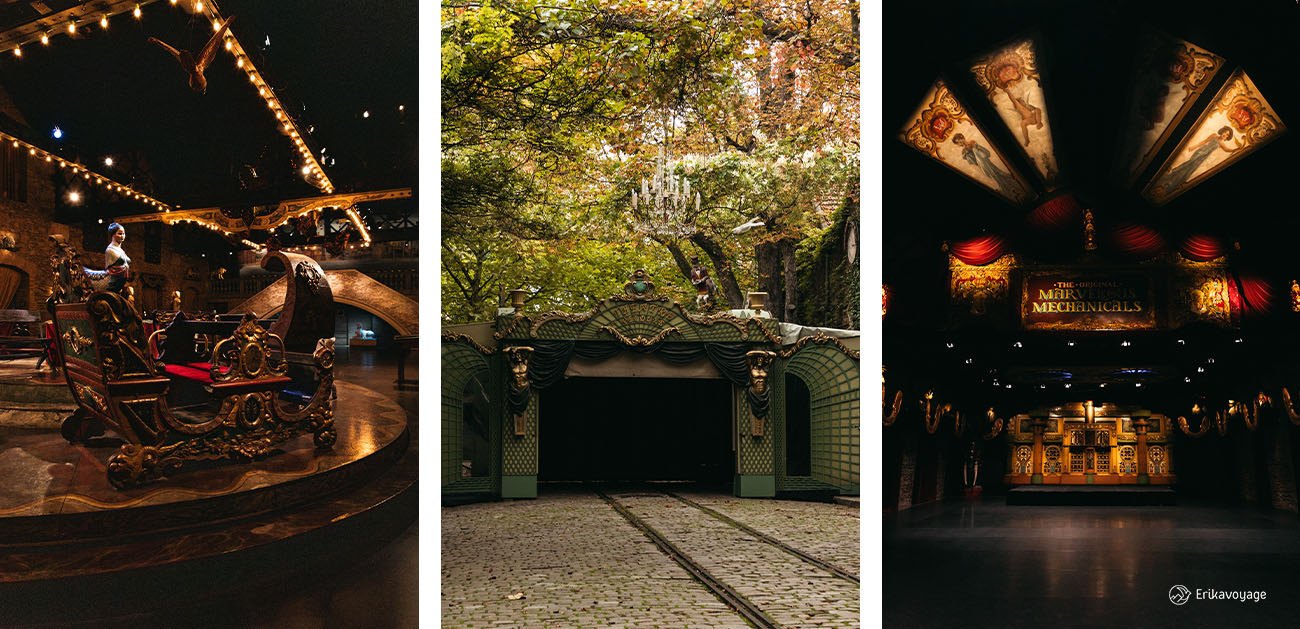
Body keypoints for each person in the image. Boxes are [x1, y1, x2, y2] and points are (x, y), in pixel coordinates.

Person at [1154, 126, 1240, 194]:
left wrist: (1235, 150)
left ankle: (1176, 183)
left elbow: (1227, 149)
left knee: (1190, 170)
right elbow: (1204, 142)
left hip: (1203, 157)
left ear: (1228, 137)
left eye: (1227, 134)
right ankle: (1172, 174)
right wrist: (1194, 146)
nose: (1225, 134)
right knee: (1188, 164)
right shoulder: (1214, 135)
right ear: (1222, 130)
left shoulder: (1222, 143)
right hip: (1200, 152)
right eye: (1225, 132)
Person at [951, 133, 1022, 200]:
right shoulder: (964, 152)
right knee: (995, 176)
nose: (960, 144)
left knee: (997, 174)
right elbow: (972, 162)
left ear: (962, 138)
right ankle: (1012, 192)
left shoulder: (972, 142)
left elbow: (986, 152)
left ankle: (1013, 190)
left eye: (960, 141)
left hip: (985, 161)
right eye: (958, 143)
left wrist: (974, 147)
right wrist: (967, 153)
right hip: (981, 164)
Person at [104, 222, 131, 293]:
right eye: (120, 233)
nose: (122, 236)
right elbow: (109, 271)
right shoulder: (110, 250)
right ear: (113, 235)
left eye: (123, 233)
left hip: (120, 285)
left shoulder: (121, 251)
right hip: (113, 284)